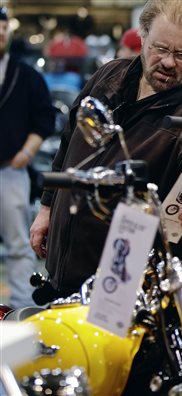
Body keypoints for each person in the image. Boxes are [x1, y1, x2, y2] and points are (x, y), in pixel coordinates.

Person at [30, 0, 182, 298]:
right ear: (143, 37)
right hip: (67, 265)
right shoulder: (108, 77)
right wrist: (47, 207)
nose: (168, 62)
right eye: (160, 48)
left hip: (131, 287)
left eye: (181, 54)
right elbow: (69, 138)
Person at [0, 7, 55, 308]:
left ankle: (20, 307)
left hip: (11, 169)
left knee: (19, 244)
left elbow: (45, 118)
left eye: (3, 31)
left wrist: (26, 152)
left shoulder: (25, 76)